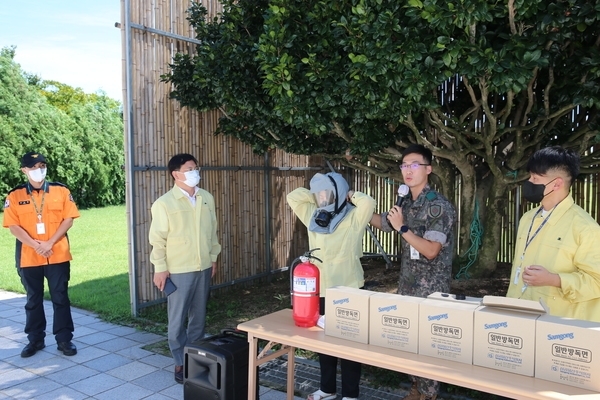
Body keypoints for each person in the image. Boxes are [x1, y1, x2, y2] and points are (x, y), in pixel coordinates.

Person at [370, 144, 456, 400]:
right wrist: (358, 209)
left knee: (428, 346)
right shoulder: (406, 201)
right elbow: (385, 222)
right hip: (408, 285)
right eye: (404, 165)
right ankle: (416, 389)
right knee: (409, 342)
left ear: (428, 169)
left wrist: (403, 228)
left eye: (414, 165)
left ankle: (429, 396)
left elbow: (431, 250)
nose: (408, 170)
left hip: (431, 291)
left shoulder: (438, 206)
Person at [287, 172, 376, 400]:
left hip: (350, 289)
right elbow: (293, 197)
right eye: (319, 193)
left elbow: (368, 202)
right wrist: (317, 193)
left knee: (349, 345)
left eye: (327, 192)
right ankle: (327, 389)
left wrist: (349, 194)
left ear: (339, 193)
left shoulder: (354, 216)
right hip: (321, 289)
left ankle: (350, 395)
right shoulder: (313, 214)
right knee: (323, 342)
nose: (322, 197)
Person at [148, 153, 221, 384]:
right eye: (189, 169)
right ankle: (180, 361)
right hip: (178, 270)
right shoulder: (164, 203)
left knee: (198, 317)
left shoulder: (206, 198)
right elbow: (157, 239)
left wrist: (213, 257)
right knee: (177, 319)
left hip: (202, 267)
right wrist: (160, 268)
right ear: (175, 174)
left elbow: (212, 233)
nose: (195, 172)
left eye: (196, 168)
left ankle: (195, 357)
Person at [506, 146, 600, 322]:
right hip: (520, 315)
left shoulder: (585, 228)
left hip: (558, 326)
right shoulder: (528, 218)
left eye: (536, 178)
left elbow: (596, 282)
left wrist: (554, 280)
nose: (529, 182)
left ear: (557, 184)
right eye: (530, 176)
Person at [2, 151, 80, 358]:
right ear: (24, 170)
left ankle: (64, 339)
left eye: (42, 166)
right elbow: (13, 226)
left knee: (60, 297)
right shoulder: (15, 195)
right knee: (33, 299)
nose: (39, 170)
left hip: (57, 253)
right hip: (29, 255)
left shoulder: (61, 191)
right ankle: (35, 340)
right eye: (33, 167)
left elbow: (69, 219)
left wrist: (49, 242)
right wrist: (36, 245)